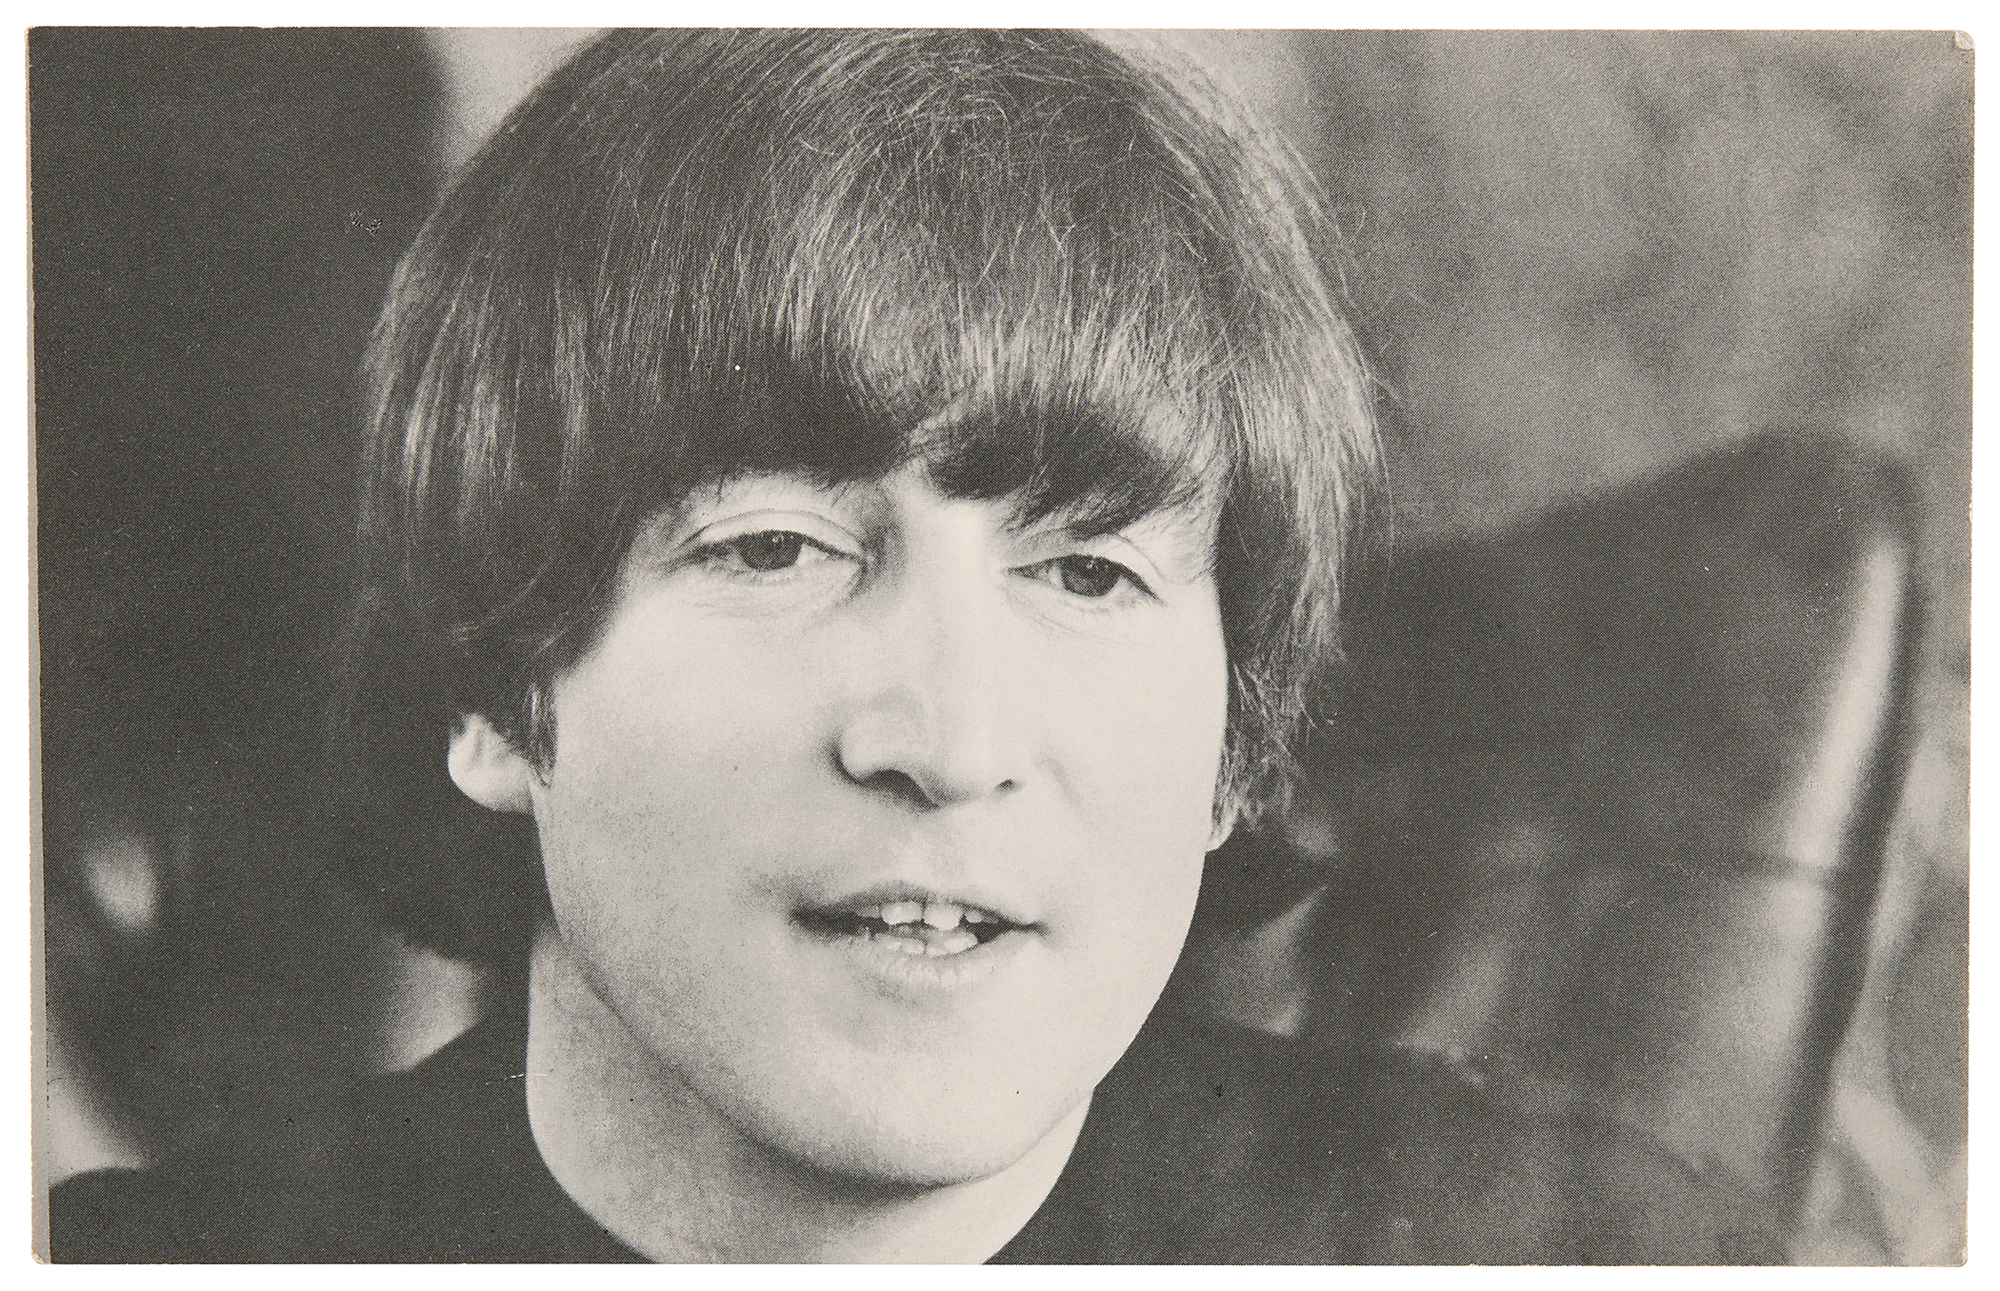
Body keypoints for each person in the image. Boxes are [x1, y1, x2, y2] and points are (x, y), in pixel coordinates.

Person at [49, 29, 1782, 1263]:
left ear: (1231, 753)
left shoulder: (1601, 1256)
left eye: (1089, 573)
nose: (951, 740)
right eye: (774, 548)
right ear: (500, 694)